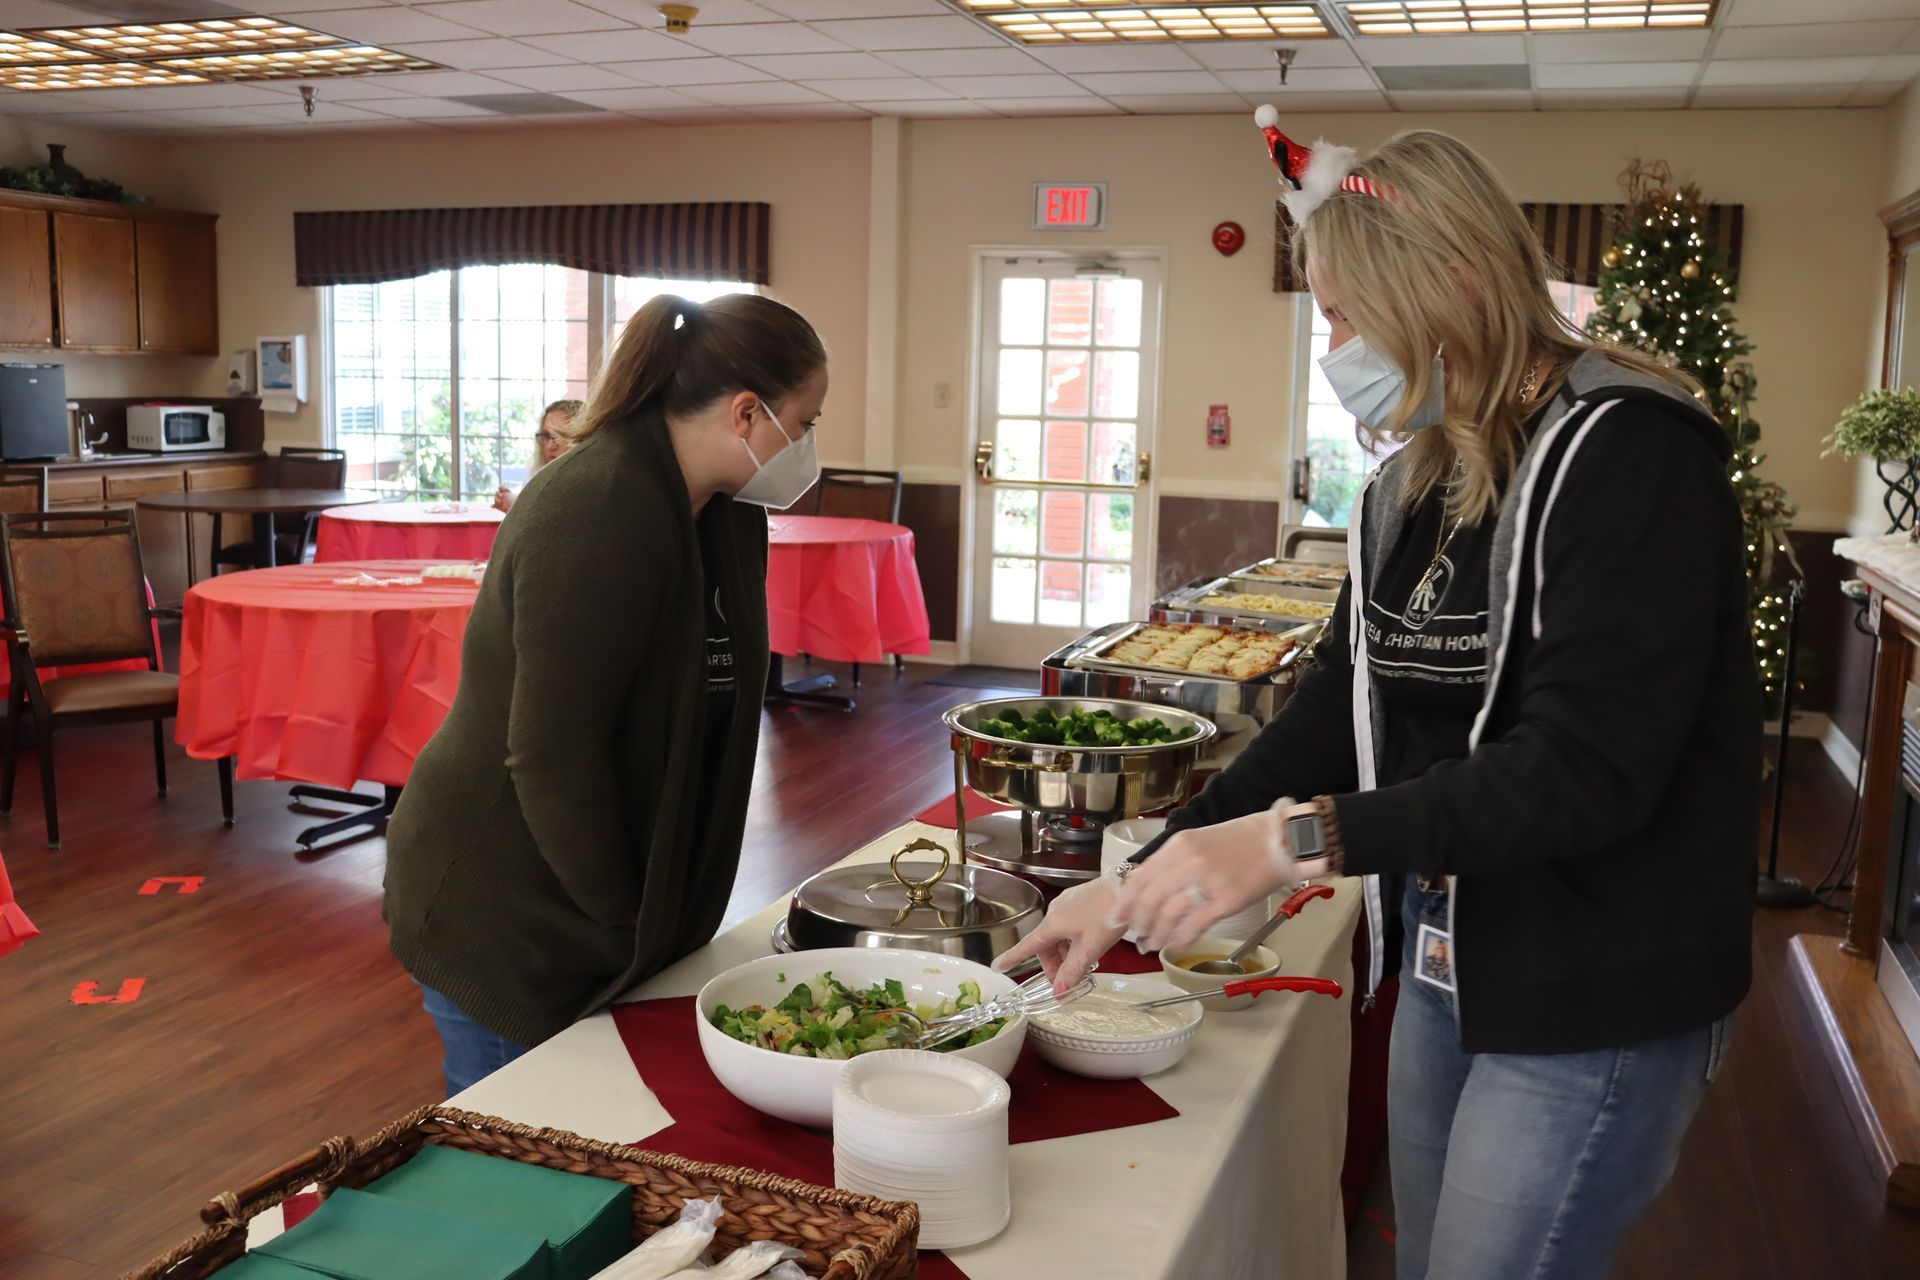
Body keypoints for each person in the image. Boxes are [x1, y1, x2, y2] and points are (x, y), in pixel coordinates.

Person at [999, 113, 1757, 1280]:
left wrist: (1297, 842)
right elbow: (1334, 713)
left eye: (1349, 314)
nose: (1335, 347)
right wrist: (1142, 873)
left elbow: (1584, 769)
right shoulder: (1415, 480)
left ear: (1451, 281)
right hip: (1454, 956)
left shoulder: (1631, 452)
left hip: (1596, 983)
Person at [385, 293, 827, 1096]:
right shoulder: (594, 508)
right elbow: (550, 753)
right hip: (508, 907)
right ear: (746, 413)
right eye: (804, 423)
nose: (807, 447)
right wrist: (624, 912)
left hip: (612, 909)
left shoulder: (724, 515)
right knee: (520, 1155)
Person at [493, 398, 582, 513]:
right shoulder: (548, 481)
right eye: (546, 436)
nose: (550, 446)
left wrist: (517, 507)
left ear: (582, 438)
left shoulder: (585, 486)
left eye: (560, 435)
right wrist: (515, 503)